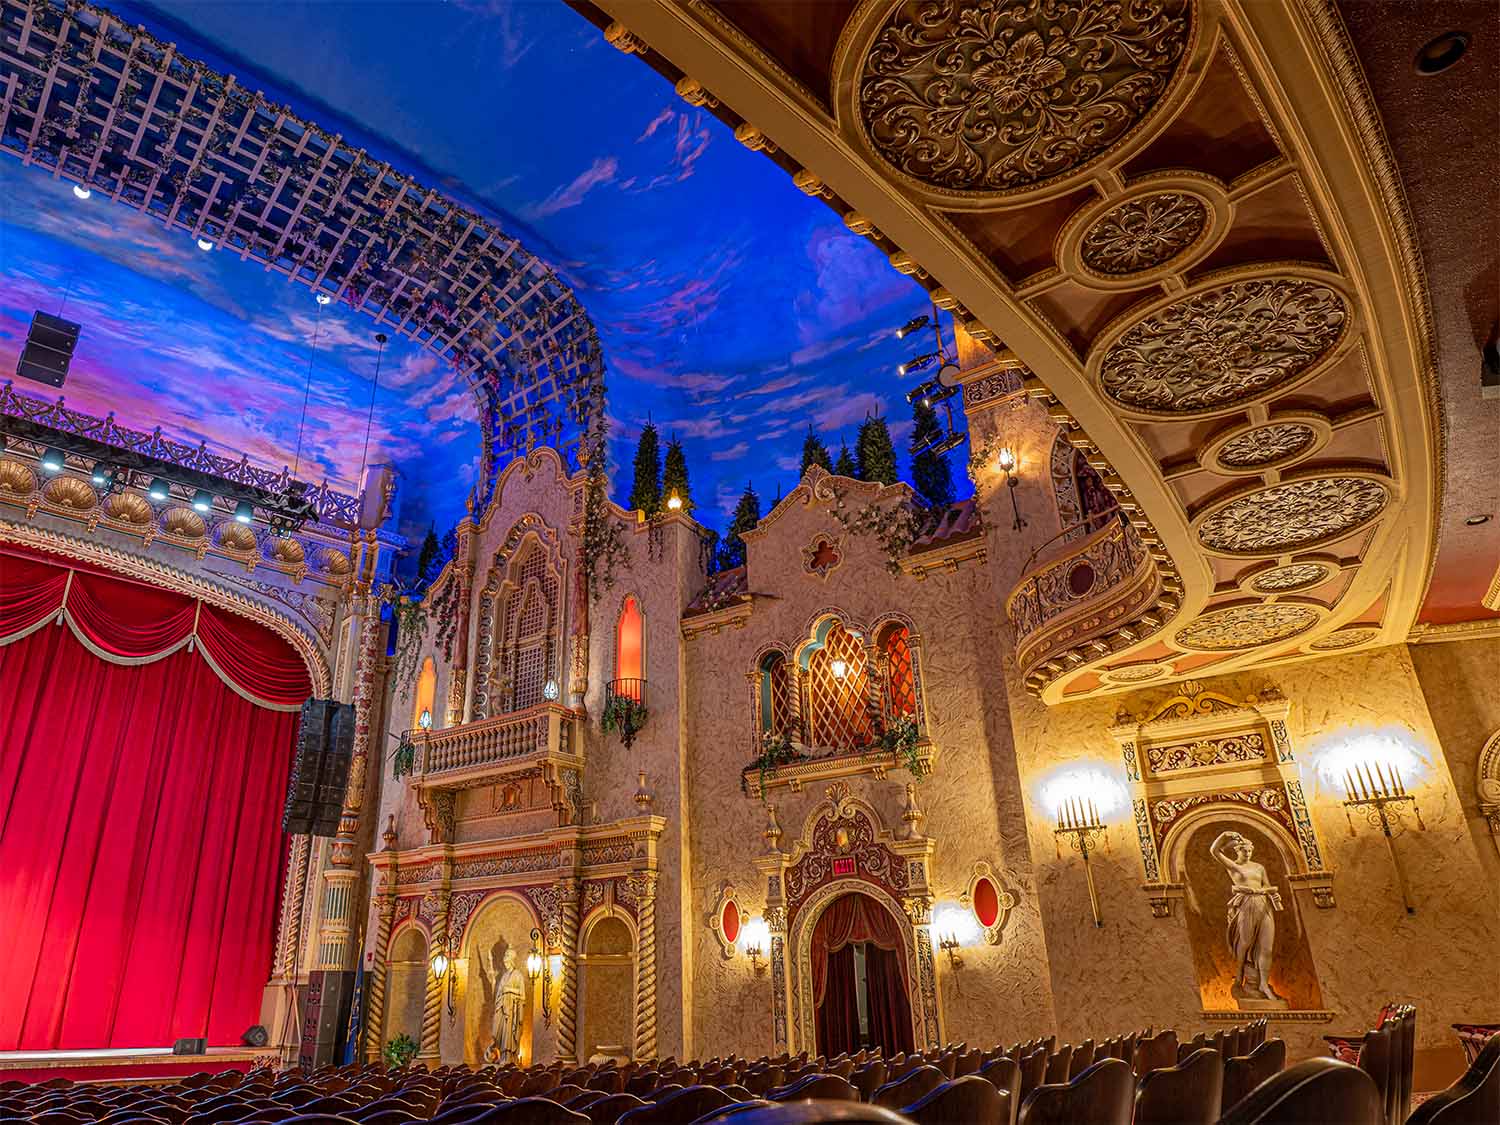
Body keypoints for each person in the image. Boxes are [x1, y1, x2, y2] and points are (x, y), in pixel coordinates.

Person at [1210, 830, 1283, 1001]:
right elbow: (1214, 851)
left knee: (1267, 947)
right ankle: (1239, 976)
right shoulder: (1235, 867)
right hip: (1246, 905)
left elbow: (1268, 885)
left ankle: (1264, 984)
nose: (1248, 854)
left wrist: (1269, 893)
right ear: (1238, 850)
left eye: (1250, 851)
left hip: (1264, 905)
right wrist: (1224, 835)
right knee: (1245, 943)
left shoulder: (1259, 867)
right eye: (1245, 851)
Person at [484, 946, 527, 1064]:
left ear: (512, 961)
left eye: (507, 960)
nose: (505, 962)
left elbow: (522, 995)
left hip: (512, 1011)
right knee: (498, 1031)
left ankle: (508, 1059)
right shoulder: (503, 976)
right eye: (505, 960)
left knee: (509, 1034)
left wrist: (509, 990)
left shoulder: (518, 975)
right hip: (502, 1009)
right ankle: (500, 1055)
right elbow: (498, 992)